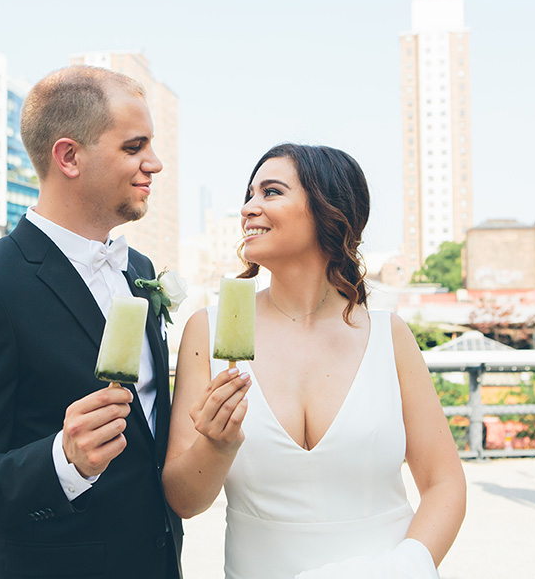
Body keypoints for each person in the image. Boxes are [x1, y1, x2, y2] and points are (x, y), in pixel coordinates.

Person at [0, 66, 182, 579]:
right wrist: (63, 461)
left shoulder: (142, 272)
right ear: (68, 157)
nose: (155, 163)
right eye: (134, 147)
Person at [162, 143, 466, 578]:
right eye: (249, 195)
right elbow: (184, 501)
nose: (248, 208)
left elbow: (444, 483)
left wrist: (403, 568)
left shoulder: (389, 336)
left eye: (271, 192)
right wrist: (215, 444)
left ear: (328, 210)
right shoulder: (206, 331)